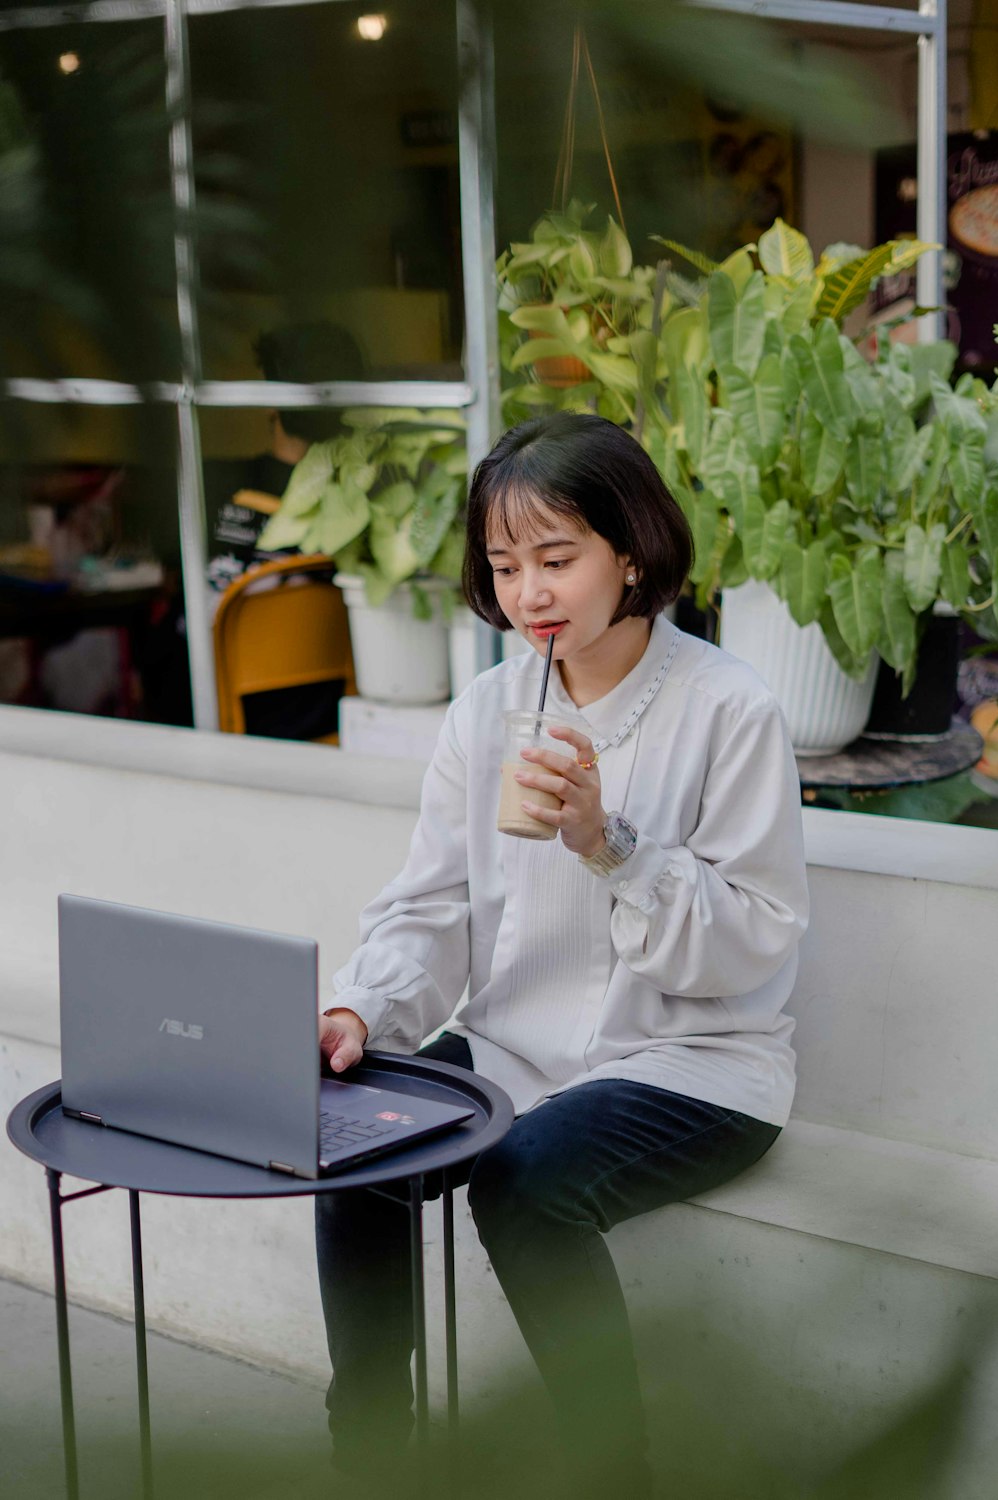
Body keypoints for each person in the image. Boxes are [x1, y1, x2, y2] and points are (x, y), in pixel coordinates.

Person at [315, 412, 809, 1495]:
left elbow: (754, 940)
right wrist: (361, 1012)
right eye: (503, 567)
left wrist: (608, 844)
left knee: (525, 1181)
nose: (527, 593)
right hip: (510, 1045)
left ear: (630, 553)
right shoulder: (488, 711)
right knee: (350, 1134)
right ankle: (370, 1445)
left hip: (694, 1058)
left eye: (555, 559)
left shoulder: (730, 709)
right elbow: (434, 904)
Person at [204, 320, 364, 740]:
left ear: (268, 399)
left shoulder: (217, 489)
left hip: (230, 714)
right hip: (334, 712)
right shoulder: (365, 500)